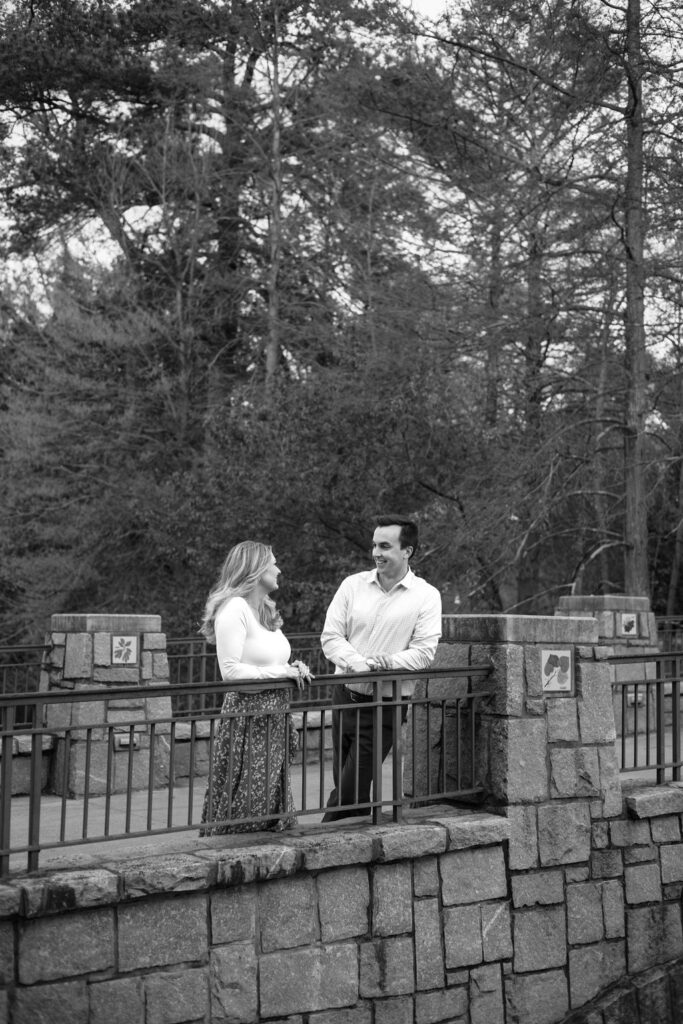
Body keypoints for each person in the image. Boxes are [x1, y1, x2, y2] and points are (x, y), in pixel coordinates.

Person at [321, 514, 442, 821]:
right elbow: (331, 637)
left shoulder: (426, 596)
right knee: (348, 786)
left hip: (385, 705)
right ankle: (352, 847)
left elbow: (424, 653)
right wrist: (360, 664)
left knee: (351, 788)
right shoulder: (352, 586)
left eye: (385, 546)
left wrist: (383, 665)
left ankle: (320, 839)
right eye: (374, 545)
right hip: (344, 696)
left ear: (407, 551)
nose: (376, 552)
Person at [199, 541, 311, 835]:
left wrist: (295, 668)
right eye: (273, 563)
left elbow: (275, 661)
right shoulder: (234, 609)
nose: (279, 569)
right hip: (248, 717)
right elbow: (231, 672)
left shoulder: (264, 610)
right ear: (256, 568)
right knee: (246, 799)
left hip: (274, 716)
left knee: (269, 800)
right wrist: (281, 672)